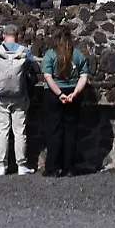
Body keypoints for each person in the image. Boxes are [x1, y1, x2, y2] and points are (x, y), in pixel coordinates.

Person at [0, 21, 35, 175]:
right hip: (20, 95)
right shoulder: (25, 51)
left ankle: (1, 165)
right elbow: (31, 68)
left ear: (3, 35)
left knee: (2, 131)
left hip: (0, 96)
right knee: (20, 131)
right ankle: (21, 165)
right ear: (18, 36)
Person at [41, 27, 88, 177]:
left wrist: (59, 94)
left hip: (53, 94)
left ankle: (53, 167)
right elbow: (83, 76)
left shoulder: (50, 55)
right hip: (72, 92)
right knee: (70, 131)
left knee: (54, 131)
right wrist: (75, 93)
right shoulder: (78, 55)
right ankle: (69, 167)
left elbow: (48, 77)